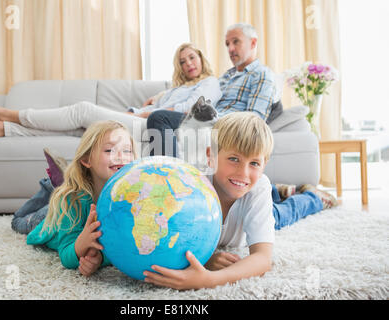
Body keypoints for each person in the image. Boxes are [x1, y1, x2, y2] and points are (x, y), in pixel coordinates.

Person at [143, 112, 336, 290]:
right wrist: (205, 258)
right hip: (245, 198)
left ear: (264, 165)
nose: (243, 173)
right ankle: (281, 190)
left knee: (284, 214)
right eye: (234, 159)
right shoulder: (192, 184)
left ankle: (313, 197)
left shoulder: (258, 186)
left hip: (251, 209)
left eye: (254, 163)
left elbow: (262, 258)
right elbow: (172, 234)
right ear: (211, 156)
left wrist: (209, 280)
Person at [0, 43, 222, 141]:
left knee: (82, 110)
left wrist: (151, 111)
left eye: (192, 57)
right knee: (82, 130)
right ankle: (1, 129)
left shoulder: (210, 82)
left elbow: (192, 111)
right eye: (183, 61)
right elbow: (161, 104)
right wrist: (150, 103)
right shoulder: (174, 89)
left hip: (156, 129)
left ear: (200, 58)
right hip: (140, 118)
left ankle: (3, 113)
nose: (188, 64)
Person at [25, 120, 137, 277]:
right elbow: (66, 255)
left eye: (127, 151)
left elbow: (121, 244)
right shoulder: (73, 200)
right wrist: (82, 243)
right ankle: (47, 187)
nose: (121, 157)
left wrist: (99, 258)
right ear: (86, 160)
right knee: (21, 221)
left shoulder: (134, 195)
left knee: (60, 195)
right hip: (51, 224)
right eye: (110, 150)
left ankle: (59, 180)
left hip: (70, 201)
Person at [146, 22, 276, 157]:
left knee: (159, 118)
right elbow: (200, 91)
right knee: (161, 117)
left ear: (253, 43)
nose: (230, 49)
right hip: (205, 119)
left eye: (236, 42)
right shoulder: (227, 76)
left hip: (222, 125)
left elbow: (255, 121)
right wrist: (159, 97)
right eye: (227, 44)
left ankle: (168, 174)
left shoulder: (262, 74)